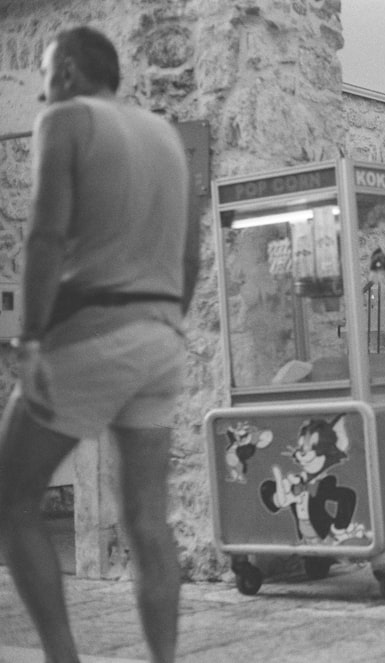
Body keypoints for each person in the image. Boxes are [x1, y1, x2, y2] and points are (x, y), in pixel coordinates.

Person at [0, 26, 198, 663]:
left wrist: (29, 341)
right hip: (161, 340)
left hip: (88, 333)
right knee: (147, 522)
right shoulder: (166, 136)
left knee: (11, 497)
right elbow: (189, 257)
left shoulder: (64, 120)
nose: (42, 90)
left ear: (67, 73)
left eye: (46, 73)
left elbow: (45, 237)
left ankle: (62, 658)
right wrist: (162, 325)